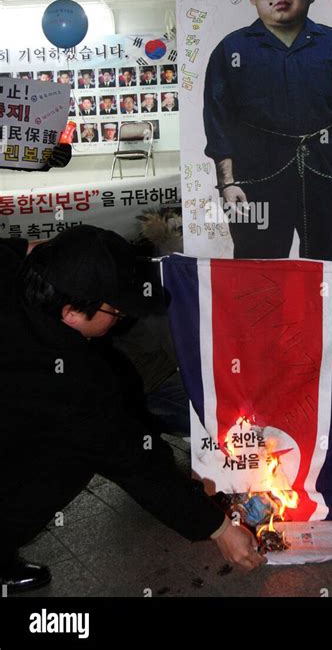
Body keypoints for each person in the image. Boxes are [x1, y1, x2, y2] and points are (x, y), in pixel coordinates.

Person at [0, 227, 263, 592]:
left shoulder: (14, 271)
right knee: (69, 458)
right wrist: (220, 529)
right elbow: (134, 460)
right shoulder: (69, 382)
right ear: (72, 312)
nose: (121, 316)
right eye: (116, 310)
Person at [204, 0, 332, 262]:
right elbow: (217, 120)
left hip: (326, 173)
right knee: (257, 273)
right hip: (256, 179)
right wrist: (227, 183)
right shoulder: (231, 50)